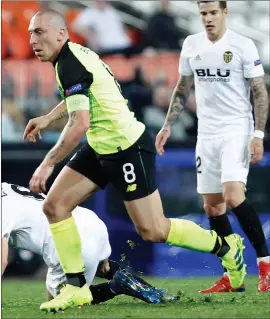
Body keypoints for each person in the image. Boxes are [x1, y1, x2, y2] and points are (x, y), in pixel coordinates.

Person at [25, 9, 246, 311]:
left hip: (127, 148)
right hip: (101, 146)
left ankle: (225, 246)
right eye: (29, 33)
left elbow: (79, 123)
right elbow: (81, 98)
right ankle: (75, 287)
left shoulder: (69, 62)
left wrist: (48, 163)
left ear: (61, 34)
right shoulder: (70, 57)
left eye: (39, 32)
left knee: (153, 230)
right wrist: (48, 117)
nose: (32, 39)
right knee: (55, 206)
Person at [156, 0, 270, 293]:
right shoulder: (192, 44)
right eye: (203, 13)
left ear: (224, 13)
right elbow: (183, 87)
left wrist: (257, 133)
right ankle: (233, 277)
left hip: (236, 130)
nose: (207, 18)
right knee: (212, 205)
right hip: (206, 135)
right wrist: (168, 124)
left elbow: (259, 90)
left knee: (233, 196)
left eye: (212, 13)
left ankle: (266, 265)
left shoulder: (242, 45)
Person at [1, 182, 171, 306]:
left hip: (74, 243)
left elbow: (2, 260)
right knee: (102, 268)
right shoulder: (6, 187)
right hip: (90, 221)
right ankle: (151, 290)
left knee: (59, 303)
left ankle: (115, 286)